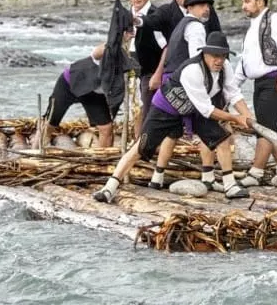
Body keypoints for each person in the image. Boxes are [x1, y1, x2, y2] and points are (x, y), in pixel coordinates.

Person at [93, 31, 252, 202]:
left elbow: (233, 94)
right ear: (205, 53)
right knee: (141, 146)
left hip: (193, 109)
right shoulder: (193, 70)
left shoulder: (225, 67)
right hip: (166, 108)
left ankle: (230, 185)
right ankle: (109, 187)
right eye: (215, 56)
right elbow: (207, 109)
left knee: (221, 140)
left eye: (222, 55)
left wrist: (247, 116)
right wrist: (236, 118)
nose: (219, 60)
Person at [235, 0, 277, 187]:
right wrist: (233, 84)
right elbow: (245, 61)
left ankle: (256, 173)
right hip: (260, 83)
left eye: (247, 1)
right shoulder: (252, 28)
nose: (243, 6)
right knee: (269, 126)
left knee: (263, 128)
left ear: (260, 1)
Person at [36, 40, 129, 149]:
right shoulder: (104, 56)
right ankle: (36, 148)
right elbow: (97, 51)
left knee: (106, 128)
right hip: (70, 82)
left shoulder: (127, 74)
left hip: (92, 93)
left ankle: (101, 159)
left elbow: (116, 101)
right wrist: (119, 39)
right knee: (51, 122)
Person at [128, 0, 166, 136]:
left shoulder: (155, 15)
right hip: (130, 69)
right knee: (134, 111)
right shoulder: (126, 14)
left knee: (147, 113)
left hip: (150, 71)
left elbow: (166, 46)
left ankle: (144, 148)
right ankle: (136, 143)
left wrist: (158, 74)